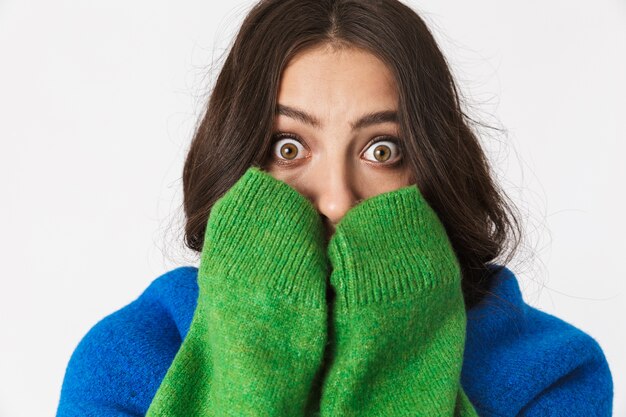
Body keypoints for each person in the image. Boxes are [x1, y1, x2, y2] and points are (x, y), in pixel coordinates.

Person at [55, 0, 614, 416]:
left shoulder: (554, 371)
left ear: (433, 162)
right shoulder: (127, 359)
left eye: (382, 150)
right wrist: (254, 344)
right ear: (236, 156)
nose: (336, 199)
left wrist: (396, 343)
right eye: (288, 148)